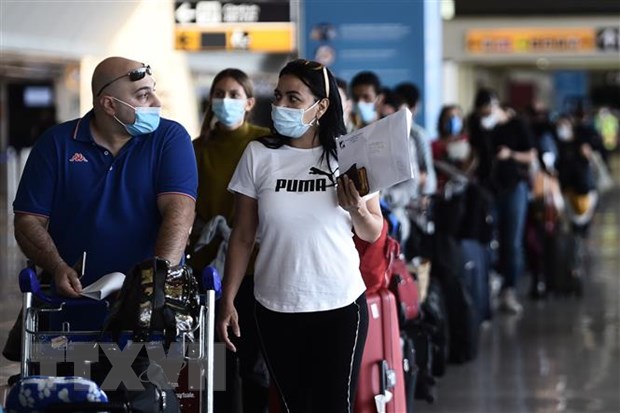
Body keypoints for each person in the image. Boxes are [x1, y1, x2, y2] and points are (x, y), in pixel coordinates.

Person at [217, 59, 383, 412]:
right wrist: (228, 298)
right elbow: (243, 235)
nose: (281, 106)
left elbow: (373, 230)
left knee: (334, 406)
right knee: (294, 406)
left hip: (339, 304)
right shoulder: (258, 155)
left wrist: (355, 207)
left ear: (321, 106)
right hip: (274, 306)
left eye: (294, 98)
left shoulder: (352, 153)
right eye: (278, 97)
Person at [4, 56, 197, 361]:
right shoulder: (56, 144)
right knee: (71, 397)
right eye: (143, 95)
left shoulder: (169, 139)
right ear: (109, 105)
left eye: (153, 91)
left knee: (148, 397)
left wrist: (155, 284)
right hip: (72, 307)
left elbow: (179, 211)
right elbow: (28, 221)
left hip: (148, 311)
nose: (156, 102)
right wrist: (57, 267)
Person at [188, 68, 270, 413]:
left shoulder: (266, 142)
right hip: (206, 269)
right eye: (219, 93)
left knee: (252, 363)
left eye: (234, 94)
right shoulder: (196, 148)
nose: (225, 100)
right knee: (211, 368)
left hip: (255, 266)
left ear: (249, 102)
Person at [467, 88, 536, 315]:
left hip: (514, 188)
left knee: (511, 242)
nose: (485, 117)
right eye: (481, 114)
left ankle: (509, 290)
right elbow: (476, 155)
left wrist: (511, 154)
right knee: (485, 238)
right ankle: (487, 286)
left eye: (488, 113)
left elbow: (531, 155)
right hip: (488, 190)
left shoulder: (517, 125)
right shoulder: (477, 126)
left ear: (496, 107)